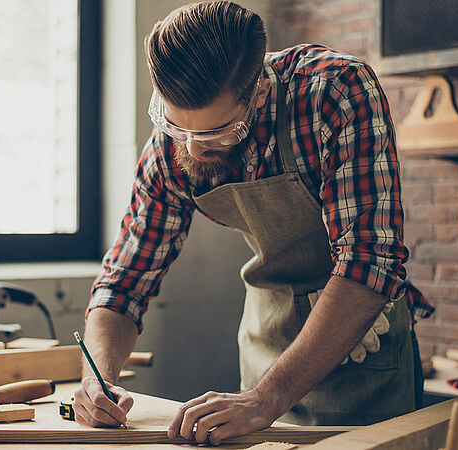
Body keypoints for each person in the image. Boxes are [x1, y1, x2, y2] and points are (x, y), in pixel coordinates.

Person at [73, 0, 434, 445]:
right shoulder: (174, 143)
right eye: (176, 126)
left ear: (259, 90)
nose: (193, 147)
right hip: (267, 348)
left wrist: (266, 398)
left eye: (215, 133)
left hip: (364, 346)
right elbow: (124, 283)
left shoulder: (335, 92)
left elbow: (371, 260)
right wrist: (97, 378)